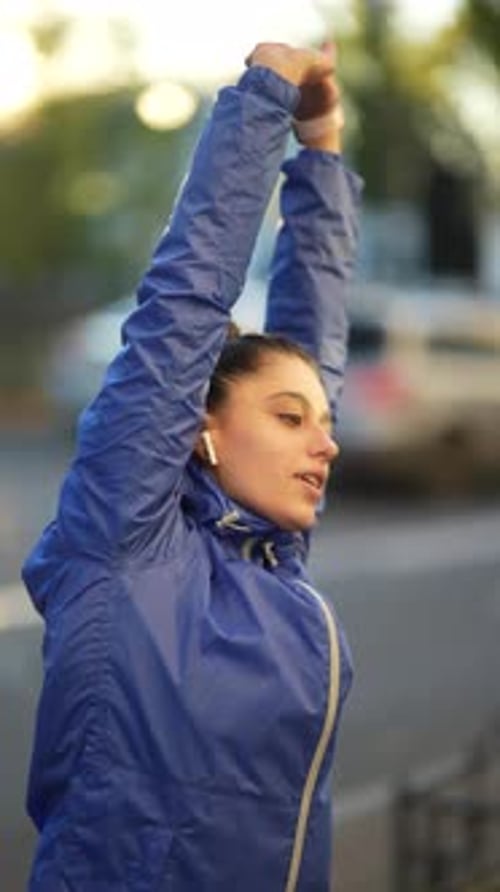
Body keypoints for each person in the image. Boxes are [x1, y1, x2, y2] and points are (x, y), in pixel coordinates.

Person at [23, 41, 363, 892]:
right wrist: (265, 104)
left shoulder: (271, 567)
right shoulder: (128, 549)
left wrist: (323, 155)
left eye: (323, 423)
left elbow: (308, 350)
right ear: (199, 427)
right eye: (289, 421)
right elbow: (185, 303)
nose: (326, 443)